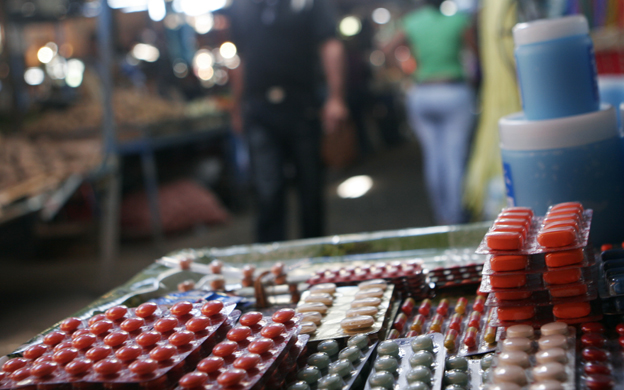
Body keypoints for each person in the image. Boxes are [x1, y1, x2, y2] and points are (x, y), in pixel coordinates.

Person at [227, 0, 348, 243]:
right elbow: (241, 58)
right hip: (259, 109)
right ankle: (270, 264)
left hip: (302, 106)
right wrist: (237, 107)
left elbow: (330, 45)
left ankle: (315, 257)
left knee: (310, 188)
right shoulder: (242, 7)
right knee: (267, 191)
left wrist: (336, 97)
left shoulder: (311, 4)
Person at [384, 0, 476, 225]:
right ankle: (455, 219)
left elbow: (387, 49)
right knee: (454, 157)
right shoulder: (458, 21)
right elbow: (475, 56)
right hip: (454, 91)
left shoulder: (412, 22)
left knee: (433, 157)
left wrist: (406, 72)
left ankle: (442, 216)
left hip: (422, 93)